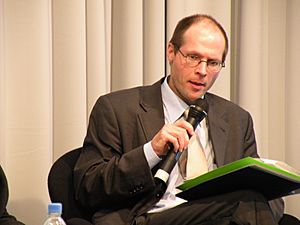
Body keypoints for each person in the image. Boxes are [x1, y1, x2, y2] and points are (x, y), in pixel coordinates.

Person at [74, 14, 284, 225]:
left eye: (213, 63)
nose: (202, 71)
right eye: (193, 57)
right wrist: (150, 152)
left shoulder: (237, 119)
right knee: (245, 202)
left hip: (219, 217)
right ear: (171, 52)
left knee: (252, 203)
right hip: (149, 217)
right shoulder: (117, 108)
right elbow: (88, 187)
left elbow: (265, 195)